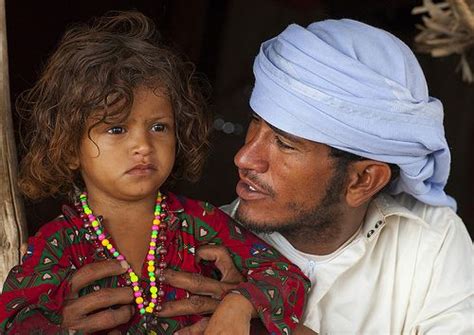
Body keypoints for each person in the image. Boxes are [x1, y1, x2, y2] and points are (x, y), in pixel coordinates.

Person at [0, 11, 311, 335]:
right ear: (68, 151)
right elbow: (15, 320)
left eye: (159, 126)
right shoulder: (58, 243)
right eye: (117, 128)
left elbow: (284, 276)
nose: (143, 145)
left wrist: (240, 302)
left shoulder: (200, 223)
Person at [156, 19, 474, 334]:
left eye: (284, 143)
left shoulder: (430, 240)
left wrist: (270, 327)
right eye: (255, 122)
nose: (244, 157)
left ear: (362, 180)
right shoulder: (192, 247)